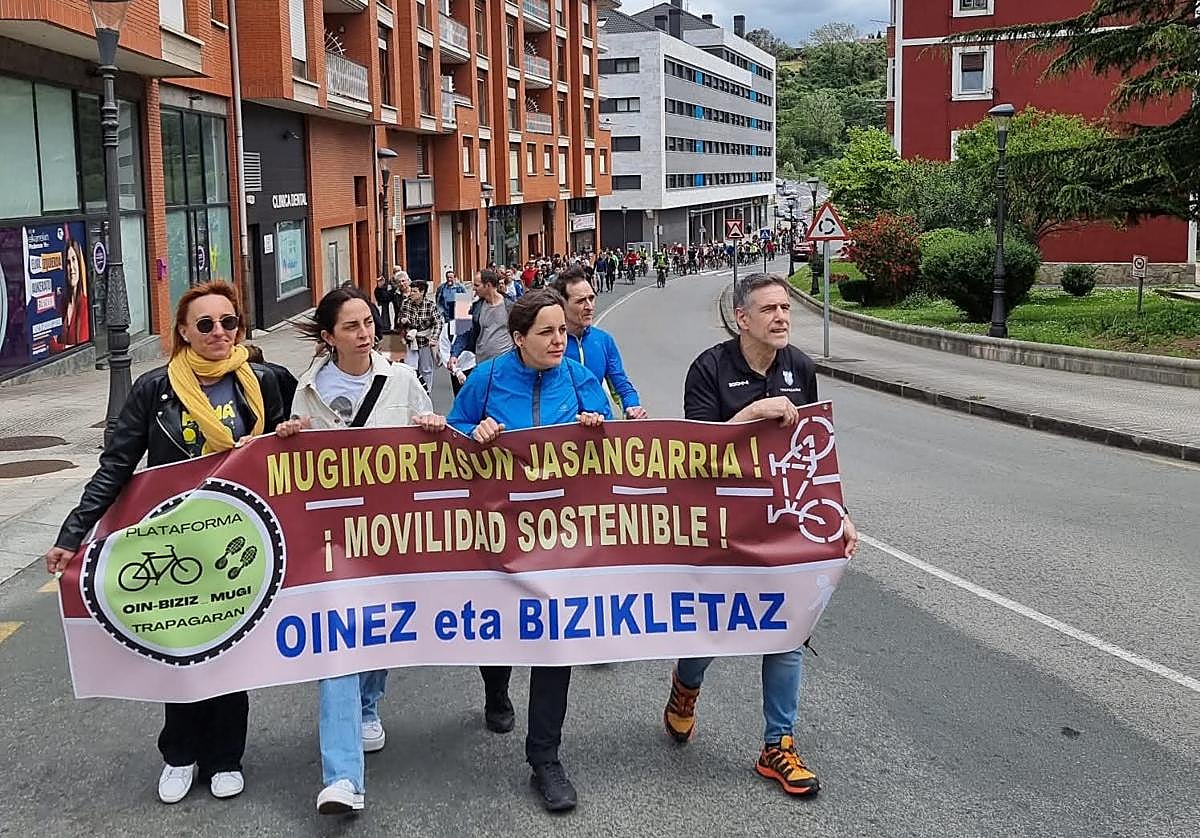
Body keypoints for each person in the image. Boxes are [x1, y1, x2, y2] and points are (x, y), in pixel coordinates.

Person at [43, 281, 297, 805]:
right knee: (180, 648)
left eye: (229, 323)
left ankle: (227, 756)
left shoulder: (267, 381)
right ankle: (180, 754)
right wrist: (73, 534)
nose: (218, 333)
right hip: (176, 539)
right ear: (182, 331)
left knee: (230, 651)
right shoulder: (155, 389)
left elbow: (309, 439)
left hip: (240, 539)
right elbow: (116, 466)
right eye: (205, 324)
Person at [662, 273, 859, 797]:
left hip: (782, 524)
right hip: (723, 525)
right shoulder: (708, 368)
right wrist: (752, 412)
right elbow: (697, 451)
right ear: (742, 318)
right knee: (715, 626)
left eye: (786, 309)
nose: (781, 317)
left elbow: (816, 458)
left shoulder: (801, 368)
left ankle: (778, 745)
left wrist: (839, 515)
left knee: (787, 630)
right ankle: (686, 685)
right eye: (769, 309)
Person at [447, 289, 611, 813]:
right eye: (546, 331)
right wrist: (477, 431)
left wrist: (596, 428)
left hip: (558, 538)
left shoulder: (581, 380)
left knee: (553, 644)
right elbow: (451, 435)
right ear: (518, 338)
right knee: (498, 634)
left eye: (562, 329)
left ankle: (546, 758)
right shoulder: (487, 378)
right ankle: (496, 689)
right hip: (496, 534)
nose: (559, 339)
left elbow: (610, 442)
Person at [291, 286, 446, 815]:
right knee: (338, 643)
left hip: (389, 533)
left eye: (369, 323)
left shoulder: (401, 380)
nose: (364, 333)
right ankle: (341, 779)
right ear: (329, 336)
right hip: (332, 538)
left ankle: (368, 702)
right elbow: (295, 467)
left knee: (379, 629)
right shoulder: (309, 388)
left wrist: (431, 428)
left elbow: (431, 449)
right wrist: (289, 436)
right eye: (352, 326)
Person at [551, 266, 648, 420]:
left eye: (591, 298)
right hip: (565, 432)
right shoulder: (550, 343)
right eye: (581, 301)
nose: (589, 306)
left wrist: (632, 406)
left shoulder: (603, 340)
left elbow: (621, 385)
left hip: (601, 427)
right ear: (562, 303)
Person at [448, 269, 514, 395]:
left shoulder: (510, 306)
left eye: (477, 285)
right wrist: (454, 354)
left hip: (505, 365)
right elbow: (463, 332)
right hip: (482, 364)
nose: (474, 289)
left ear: (488, 285)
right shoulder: (476, 307)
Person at [398, 279, 444, 394]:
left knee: (426, 369)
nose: (411, 294)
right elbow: (400, 318)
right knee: (410, 368)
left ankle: (426, 392)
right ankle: (412, 392)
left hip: (425, 341)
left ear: (422, 292)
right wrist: (402, 320)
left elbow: (438, 322)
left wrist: (434, 338)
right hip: (411, 340)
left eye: (414, 291)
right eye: (411, 291)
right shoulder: (406, 303)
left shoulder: (430, 305)